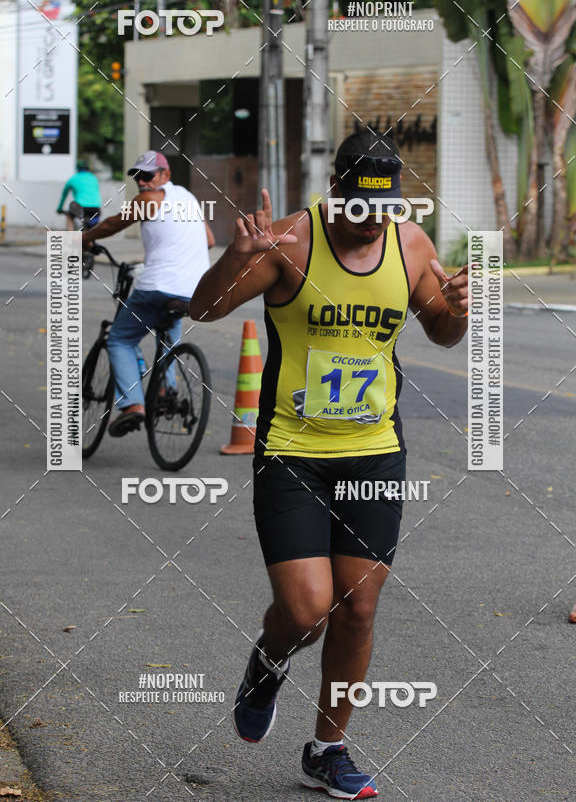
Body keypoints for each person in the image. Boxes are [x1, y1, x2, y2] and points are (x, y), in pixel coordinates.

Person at [190, 129, 469, 799]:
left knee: (357, 611)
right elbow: (203, 308)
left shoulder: (412, 245)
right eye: (358, 204)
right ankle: (269, 660)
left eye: (383, 207)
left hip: (374, 450)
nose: (369, 218)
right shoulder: (289, 241)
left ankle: (327, 749)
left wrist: (458, 309)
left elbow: (441, 330)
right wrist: (235, 255)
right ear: (335, 190)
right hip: (293, 451)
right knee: (308, 610)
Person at [83, 150, 215, 437]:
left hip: (157, 285)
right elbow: (209, 240)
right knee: (167, 332)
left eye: (147, 175)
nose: (142, 182)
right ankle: (167, 390)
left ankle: (132, 406)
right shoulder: (188, 199)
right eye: (137, 177)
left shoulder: (149, 200)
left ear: (165, 175)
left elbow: (111, 224)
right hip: (193, 290)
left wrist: (80, 239)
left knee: (119, 339)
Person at [57, 160, 102, 230]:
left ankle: (71, 238)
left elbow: (64, 195)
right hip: (96, 208)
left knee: (69, 217)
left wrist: (59, 209)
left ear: (77, 169)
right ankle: (90, 239)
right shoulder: (93, 178)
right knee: (91, 230)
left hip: (80, 207)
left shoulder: (73, 179)